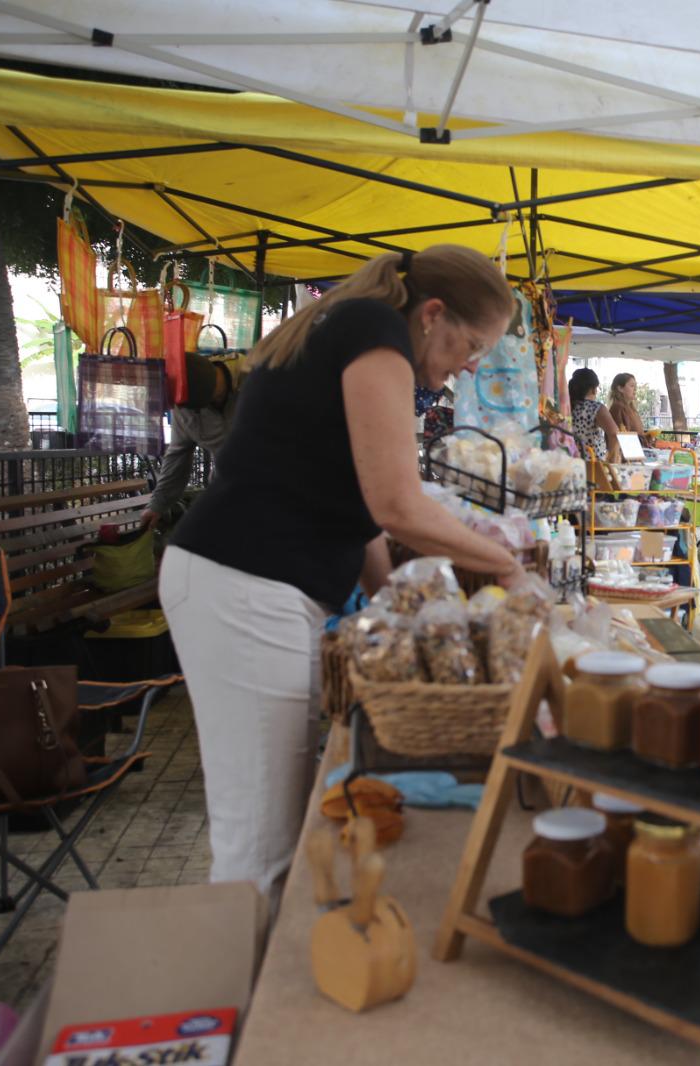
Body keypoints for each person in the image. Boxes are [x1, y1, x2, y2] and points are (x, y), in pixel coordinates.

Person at [161, 246, 522, 895]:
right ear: (432, 314)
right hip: (243, 585)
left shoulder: (357, 328)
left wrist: (393, 607)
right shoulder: (374, 332)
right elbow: (396, 505)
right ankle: (243, 963)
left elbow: (361, 514)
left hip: (254, 586)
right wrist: (504, 564)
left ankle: (266, 955)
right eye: (471, 345)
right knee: (259, 846)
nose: (470, 365)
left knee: (284, 827)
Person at [140, 350, 242, 528]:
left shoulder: (258, 378)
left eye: (218, 394)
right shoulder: (185, 405)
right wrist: (157, 506)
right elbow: (177, 456)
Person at [569, 368, 622, 463]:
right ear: (593, 389)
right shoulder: (596, 408)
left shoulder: (566, 407)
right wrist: (612, 460)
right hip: (593, 464)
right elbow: (614, 434)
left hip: (570, 463)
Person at [607, 372, 652, 445]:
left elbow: (636, 433)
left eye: (635, 386)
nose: (635, 389)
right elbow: (620, 437)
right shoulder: (617, 408)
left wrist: (647, 437)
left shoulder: (631, 408)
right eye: (632, 386)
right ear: (620, 388)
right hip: (627, 451)